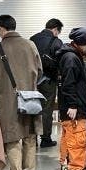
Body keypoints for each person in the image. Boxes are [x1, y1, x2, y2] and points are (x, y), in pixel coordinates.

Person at [0, 15, 42, 170]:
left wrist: (3, 89)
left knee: (12, 136)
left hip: (9, 99)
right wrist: (30, 85)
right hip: (30, 97)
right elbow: (40, 71)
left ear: (1, 29)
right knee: (30, 134)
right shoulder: (31, 45)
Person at [57, 27, 86, 170]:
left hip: (69, 107)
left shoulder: (70, 55)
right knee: (78, 139)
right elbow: (68, 84)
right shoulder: (71, 58)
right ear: (81, 43)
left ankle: (66, 166)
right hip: (74, 108)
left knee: (68, 137)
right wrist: (73, 105)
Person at [30, 18, 64, 148]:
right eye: (58, 32)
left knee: (31, 108)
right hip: (48, 81)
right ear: (55, 29)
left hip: (32, 80)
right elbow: (60, 61)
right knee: (46, 109)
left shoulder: (32, 39)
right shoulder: (56, 42)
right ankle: (45, 139)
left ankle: (31, 139)